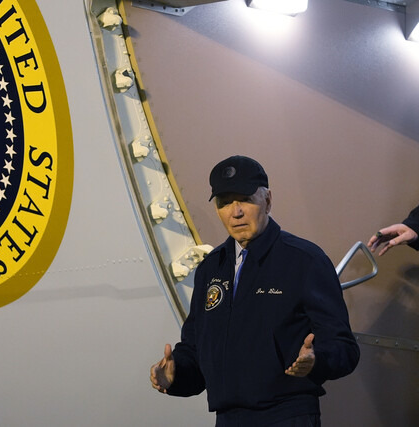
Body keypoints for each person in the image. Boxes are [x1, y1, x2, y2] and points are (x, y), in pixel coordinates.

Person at [150, 155, 359, 426]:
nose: (235, 212)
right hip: (227, 419)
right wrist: (175, 374)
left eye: (245, 200)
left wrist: (317, 360)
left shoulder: (304, 260)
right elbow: (195, 350)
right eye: (225, 203)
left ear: (268, 200)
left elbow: (344, 348)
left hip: (287, 416)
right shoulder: (211, 268)